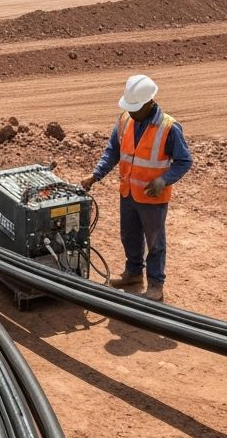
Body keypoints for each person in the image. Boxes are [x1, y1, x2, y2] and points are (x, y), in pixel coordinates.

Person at [81, 73, 192, 302]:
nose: (131, 111)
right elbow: (113, 151)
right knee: (129, 236)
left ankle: (155, 284)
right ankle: (133, 273)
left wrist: (163, 180)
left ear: (150, 103)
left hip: (153, 198)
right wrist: (95, 175)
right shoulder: (125, 120)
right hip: (129, 192)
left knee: (155, 242)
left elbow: (184, 161)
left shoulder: (169, 128)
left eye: (135, 107)